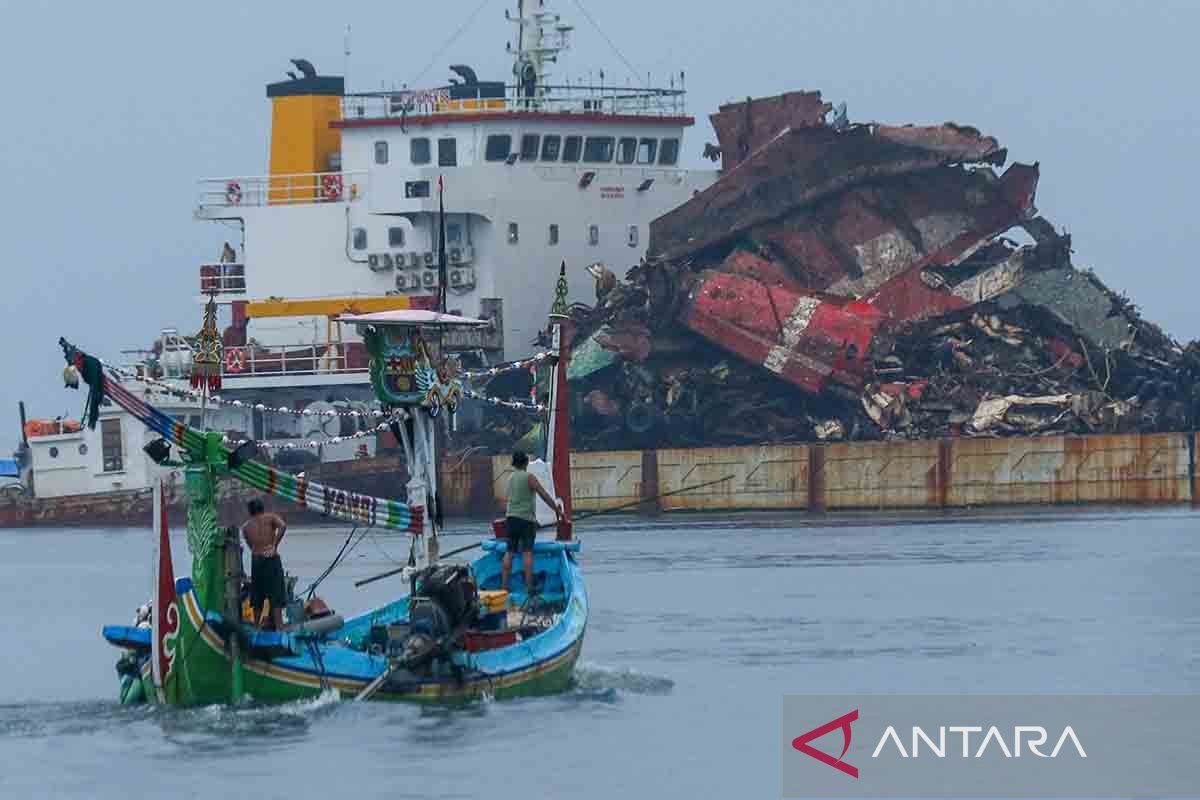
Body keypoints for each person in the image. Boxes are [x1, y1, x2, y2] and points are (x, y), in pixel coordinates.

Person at [503, 450, 564, 596]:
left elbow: (512, 500)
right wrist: (557, 510)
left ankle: (504, 586)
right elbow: (544, 495)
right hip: (526, 521)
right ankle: (529, 587)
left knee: (509, 552)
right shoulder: (529, 477)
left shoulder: (510, 478)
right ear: (525, 463)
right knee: (527, 553)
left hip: (511, 519)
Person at [241, 498, 288, 630]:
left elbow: (250, 545)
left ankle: (256, 627)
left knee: (257, 595)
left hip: (257, 560)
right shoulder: (271, 517)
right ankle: (279, 627)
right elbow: (283, 526)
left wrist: (257, 552)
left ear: (250, 511)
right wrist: (274, 546)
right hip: (271, 557)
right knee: (276, 594)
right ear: (262, 508)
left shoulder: (246, 527)